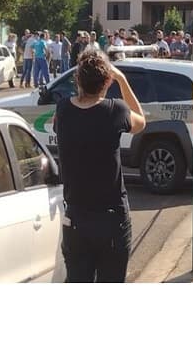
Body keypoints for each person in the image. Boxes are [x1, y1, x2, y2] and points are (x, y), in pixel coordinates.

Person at [53, 49, 146, 282]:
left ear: (78, 79)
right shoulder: (116, 110)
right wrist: (122, 80)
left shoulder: (63, 110)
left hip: (76, 217)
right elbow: (140, 122)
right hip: (111, 218)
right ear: (107, 81)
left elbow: (72, 113)